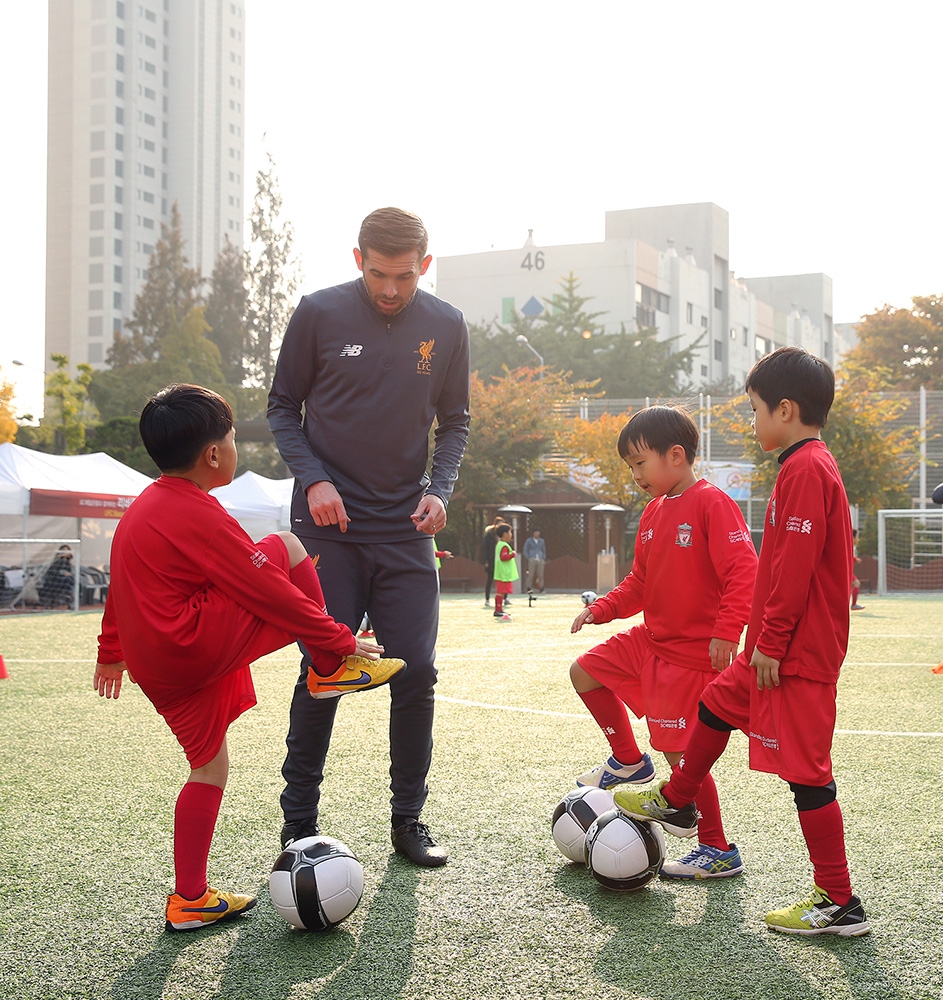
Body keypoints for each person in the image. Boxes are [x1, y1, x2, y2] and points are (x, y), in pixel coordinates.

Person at [93, 384, 402, 932]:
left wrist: (110, 653)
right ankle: (330, 669)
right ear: (214, 454)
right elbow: (268, 588)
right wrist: (337, 638)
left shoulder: (142, 508)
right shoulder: (198, 514)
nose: (236, 450)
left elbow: (120, 587)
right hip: (188, 647)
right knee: (287, 547)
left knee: (208, 767)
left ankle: (189, 898)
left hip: (156, 665)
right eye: (233, 440)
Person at [614, 348, 870, 937]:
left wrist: (772, 643)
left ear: (786, 409)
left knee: (809, 776)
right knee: (716, 703)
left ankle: (838, 901)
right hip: (778, 650)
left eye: (755, 410)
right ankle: (679, 799)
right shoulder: (801, 465)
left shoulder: (807, 469)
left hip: (796, 656)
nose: (751, 422)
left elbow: (796, 568)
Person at [267, 207, 470, 867]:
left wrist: (439, 491)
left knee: (417, 668)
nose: (390, 289)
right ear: (358, 260)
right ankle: (298, 826)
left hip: (403, 528)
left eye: (404, 276)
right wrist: (313, 480)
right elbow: (280, 407)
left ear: (424, 266)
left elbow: (456, 421)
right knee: (324, 668)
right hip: (327, 526)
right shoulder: (318, 313)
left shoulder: (445, 325)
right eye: (379, 274)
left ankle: (407, 820)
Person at [569, 405, 757, 879]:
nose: (634, 474)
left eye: (639, 463)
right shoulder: (654, 511)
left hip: (689, 656)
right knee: (584, 672)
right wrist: (602, 609)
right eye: (629, 466)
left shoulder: (712, 502)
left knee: (683, 758)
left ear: (676, 456)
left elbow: (744, 572)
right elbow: (639, 583)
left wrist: (725, 632)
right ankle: (630, 763)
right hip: (649, 641)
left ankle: (717, 847)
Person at [492, 523, 518, 621]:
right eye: (509, 532)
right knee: (501, 592)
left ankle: (499, 609)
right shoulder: (504, 546)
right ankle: (498, 609)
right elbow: (504, 557)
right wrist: (512, 555)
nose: (511, 534)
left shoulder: (499, 544)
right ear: (504, 534)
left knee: (501, 592)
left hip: (500, 572)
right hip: (503, 573)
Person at [481, 515, 506, 607]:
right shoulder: (489, 535)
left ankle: (505, 598)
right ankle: (487, 599)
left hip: (501, 562)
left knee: (503, 580)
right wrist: (486, 561)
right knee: (489, 580)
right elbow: (485, 549)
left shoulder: (504, 536)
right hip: (491, 561)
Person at [523, 528, 547, 592]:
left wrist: (543, 558)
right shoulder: (529, 541)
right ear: (533, 533)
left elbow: (543, 550)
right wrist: (528, 557)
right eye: (536, 532)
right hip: (532, 558)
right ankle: (529, 587)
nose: (537, 534)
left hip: (540, 558)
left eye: (538, 532)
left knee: (541, 574)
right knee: (531, 574)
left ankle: (541, 588)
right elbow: (525, 549)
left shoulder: (542, 541)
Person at [850, 529, 864, 610]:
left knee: (854, 584)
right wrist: (855, 559)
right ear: (852, 537)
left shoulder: (851, 546)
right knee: (856, 583)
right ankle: (853, 605)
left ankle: (853, 604)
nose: (858, 540)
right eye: (857, 537)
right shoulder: (848, 545)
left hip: (847, 572)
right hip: (844, 572)